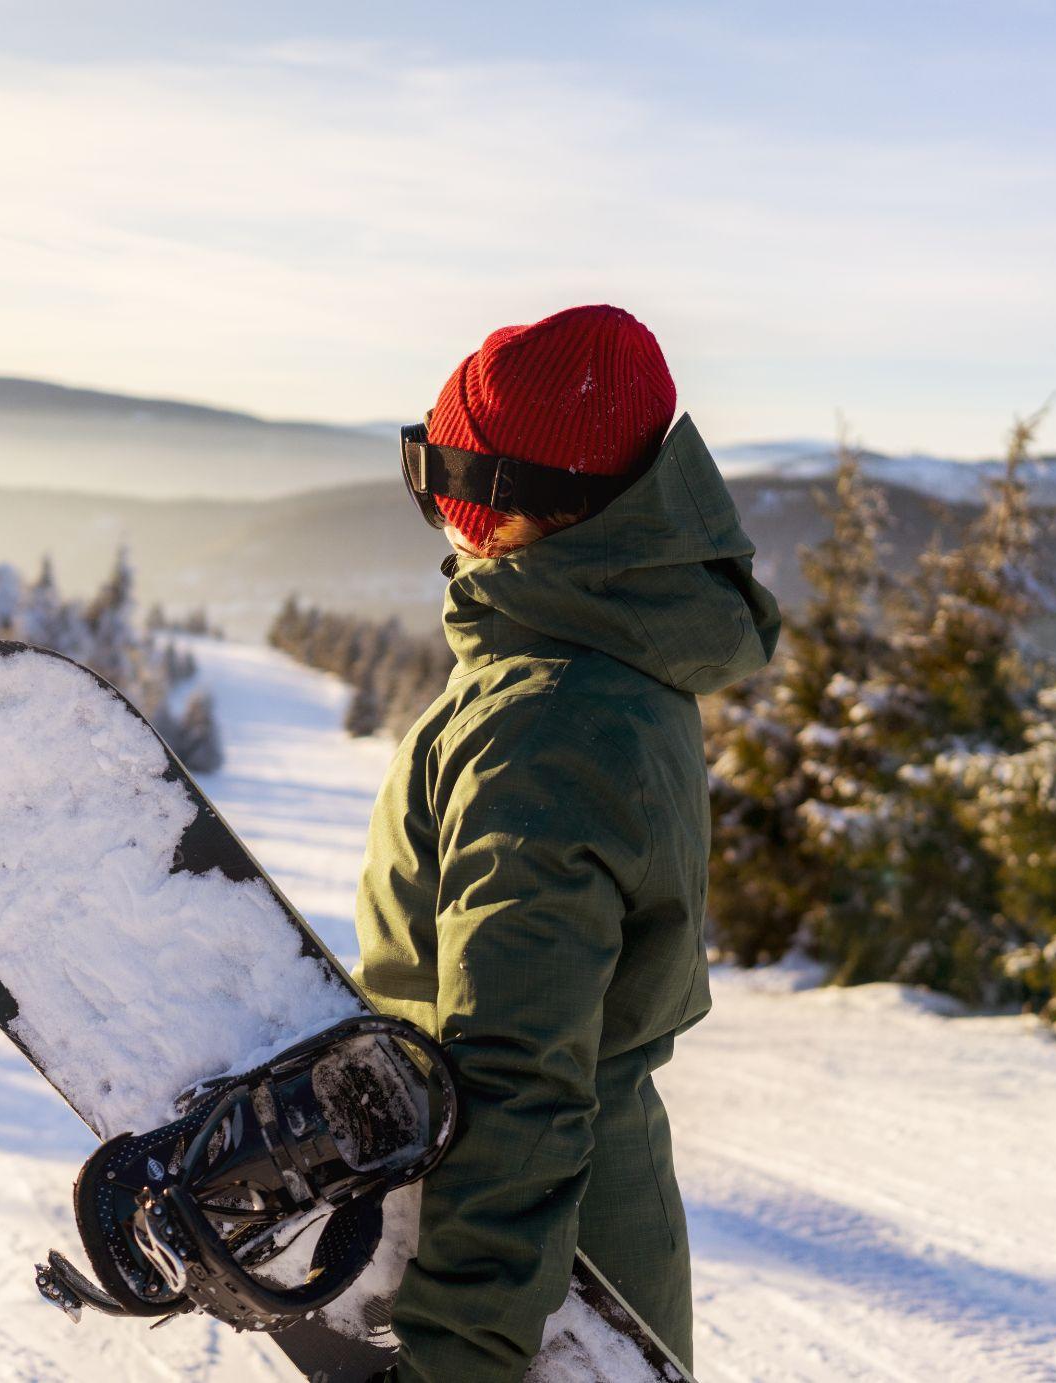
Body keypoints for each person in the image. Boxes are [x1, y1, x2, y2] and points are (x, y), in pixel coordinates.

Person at [353, 304, 781, 1382]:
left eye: (436, 476)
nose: (437, 516)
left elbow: (516, 1070)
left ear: (503, 506)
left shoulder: (543, 721)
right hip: (554, 1236)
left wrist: (458, 1355)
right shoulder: (598, 660)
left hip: (541, 1281)